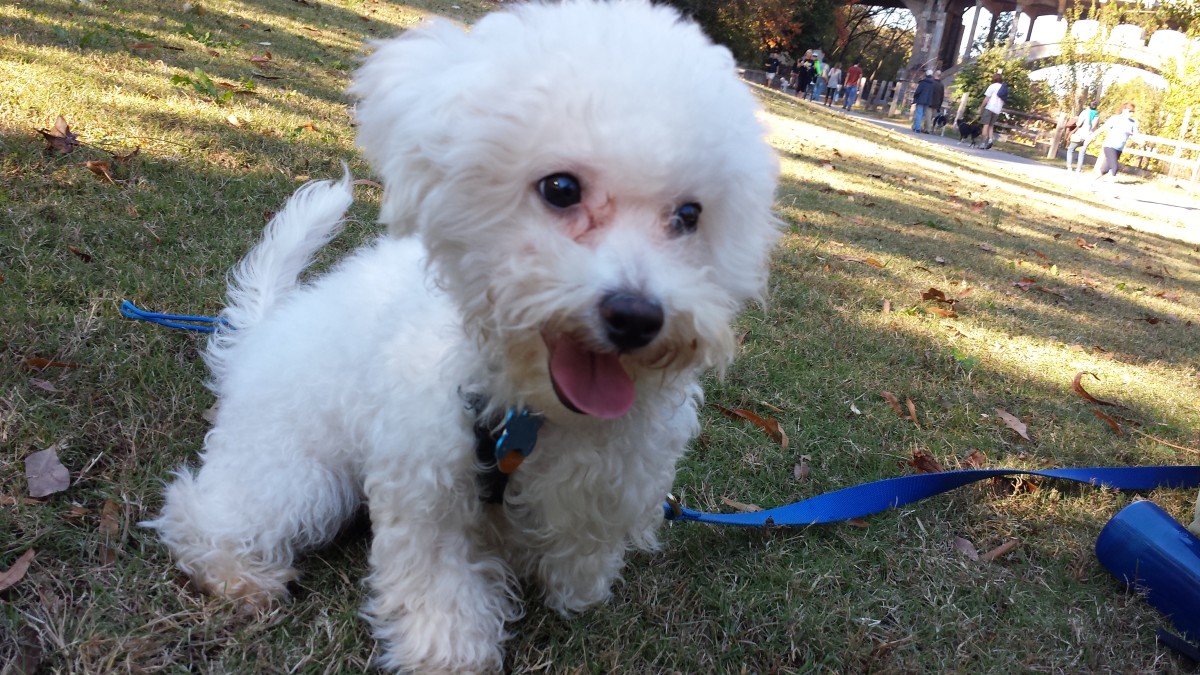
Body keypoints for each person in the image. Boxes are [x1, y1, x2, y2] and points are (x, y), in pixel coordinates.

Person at [1089, 102, 1139, 186]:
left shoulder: (1132, 123)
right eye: (1129, 111)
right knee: (1114, 168)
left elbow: (1135, 135)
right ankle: (1109, 189)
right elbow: (1103, 128)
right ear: (1124, 110)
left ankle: (1092, 183)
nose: (1131, 113)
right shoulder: (1115, 119)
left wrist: (1139, 141)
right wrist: (1092, 135)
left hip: (1119, 149)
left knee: (1104, 169)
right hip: (1109, 146)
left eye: (1132, 112)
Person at [1064, 102, 1099, 172]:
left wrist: (1076, 120)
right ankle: (1078, 169)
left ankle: (1069, 167)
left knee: (1070, 150)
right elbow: (1095, 127)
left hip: (1080, 134)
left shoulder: (1085, 112)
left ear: (1089, 106)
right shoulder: (1097, 115)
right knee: (1082, 153)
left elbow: (1079, 123)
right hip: (1088, 136)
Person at [979, 73, 1007, 149]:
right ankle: (990, 140)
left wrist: (981, 107)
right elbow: (1004, 100)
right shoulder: (1003, 88)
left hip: (989, 108)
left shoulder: (992, 86)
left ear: (994, 79)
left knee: (985, 125)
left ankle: (982, 143)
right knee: (991, 126)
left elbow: (986, 99)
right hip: (997, 110)